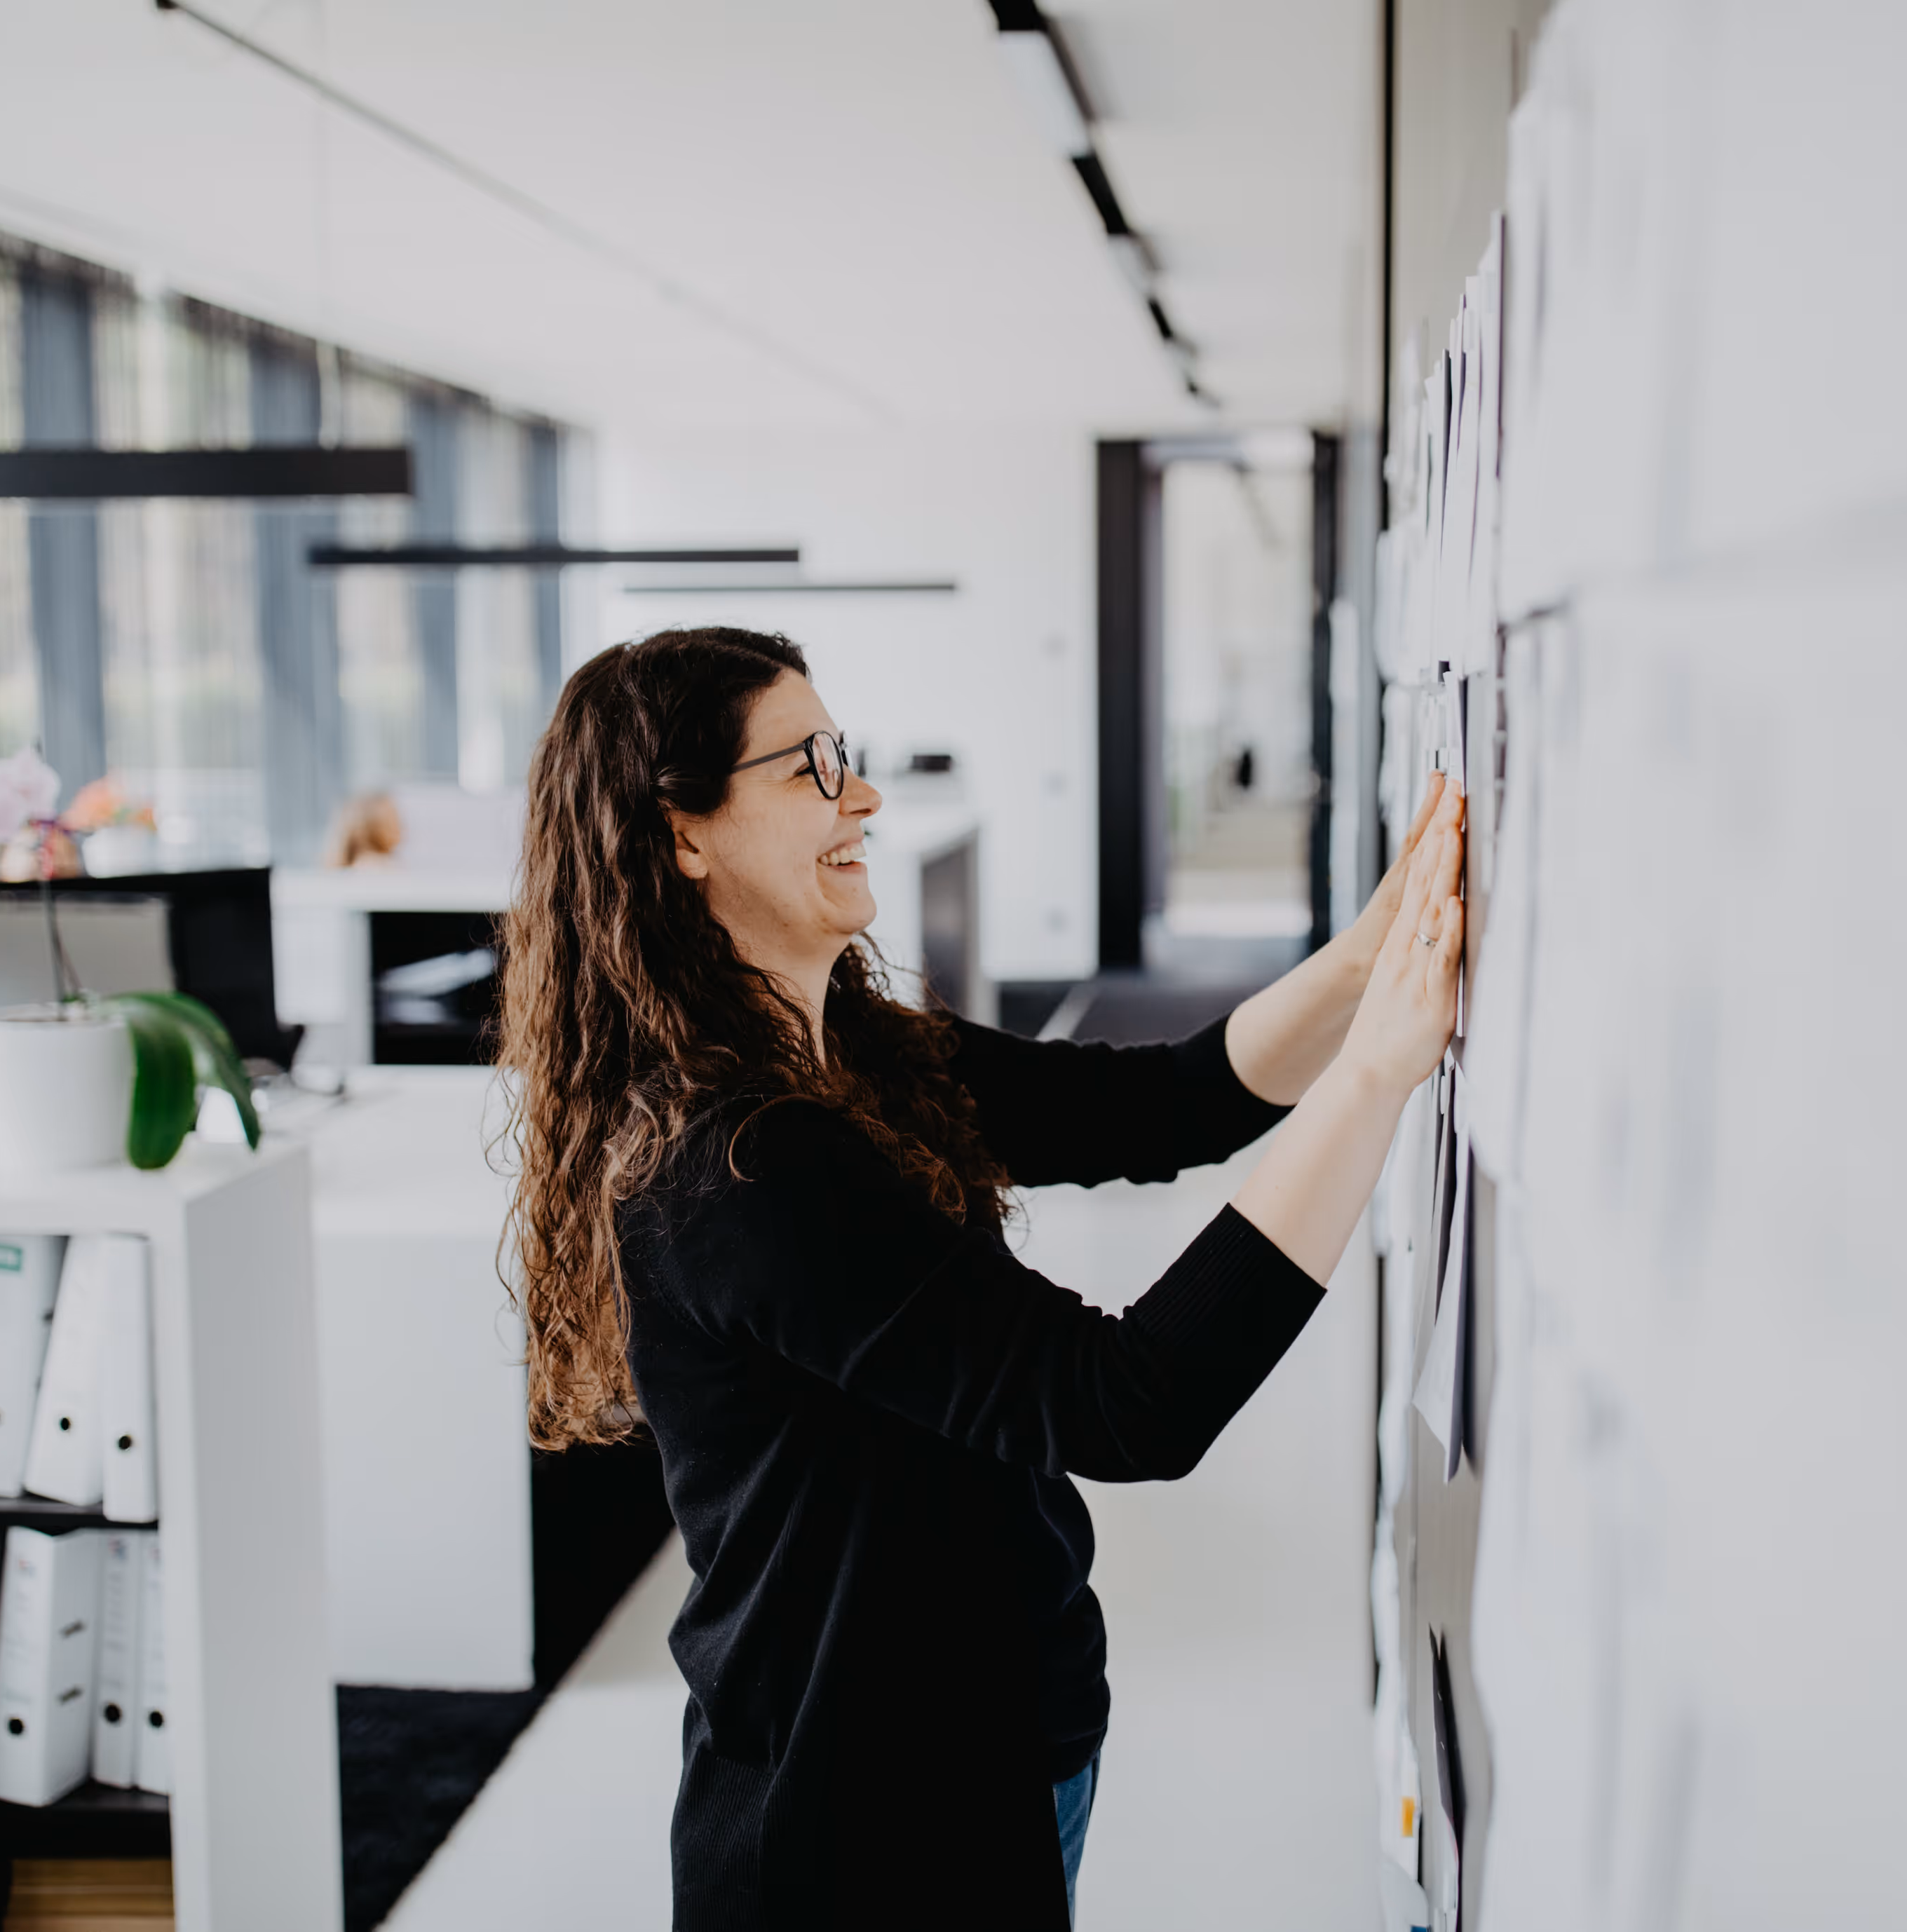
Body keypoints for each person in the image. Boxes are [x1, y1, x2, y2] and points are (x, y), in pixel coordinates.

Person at [496, 627, 1463, 1931]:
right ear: (683, 833)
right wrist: (1375, 1075)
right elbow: (1130, 1402)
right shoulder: (745, 1161)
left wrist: (1362, 965)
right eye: (807, 767)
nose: (863, 796)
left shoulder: (851, 1047)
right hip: (868, 1824)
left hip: (999, 1747)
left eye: (846, 754)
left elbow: (1160, 1106)